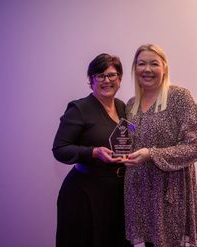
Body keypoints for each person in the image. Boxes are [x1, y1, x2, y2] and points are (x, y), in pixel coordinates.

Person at [123, 44, 197, 247]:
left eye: (154, 64)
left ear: (164, 68)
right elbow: (128, 144)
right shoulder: (130, 104)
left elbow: (196, 146)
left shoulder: (179, 97)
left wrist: (151, 154)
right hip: (138, 190)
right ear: (135, 68)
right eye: (141, 63)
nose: (147, 69)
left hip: (169, 191)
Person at [52, 53, 131, 247]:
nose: (107, 80)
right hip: (85, 194)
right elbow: (60, 149)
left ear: (120, 79)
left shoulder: (123, 108)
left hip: (118, 193)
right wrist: (93, 152)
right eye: (100, 75)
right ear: (91, 80)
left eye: (112, 75)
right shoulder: (79, 109)